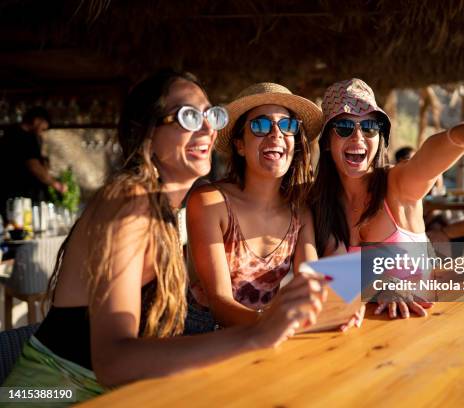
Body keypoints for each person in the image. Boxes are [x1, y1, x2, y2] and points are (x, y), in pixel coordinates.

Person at [2, 70, 327, 402]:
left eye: (209, 116)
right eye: (187, 116)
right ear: (148, 132)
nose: (205, 128)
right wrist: (257, 334)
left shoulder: (162, 208)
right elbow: (112, 362)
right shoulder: (129, 205)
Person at [311, 78, 464, 320]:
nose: (358, 137)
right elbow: (333, 273)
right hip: (355, 338)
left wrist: (462, 136)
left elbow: (425, 163)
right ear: (326, 142)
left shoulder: (396, 184)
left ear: (380, 139)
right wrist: (378, 285)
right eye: (345, 127)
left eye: (369, 127)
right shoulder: (321, 202)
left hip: (424, 327)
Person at [187, 83, 358, 331]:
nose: (276, 134)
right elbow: (219, 303)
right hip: (203, 335)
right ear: (240, 145)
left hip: (266, 333)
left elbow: (311, 281)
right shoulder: (210, 201)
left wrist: (342, 308)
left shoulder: (299, 211)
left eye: (287, 126)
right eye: (261, 125)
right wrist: (275, 324)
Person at [0, 107, 67, 222]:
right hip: (19, 197)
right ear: (36, 120)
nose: (42, 131)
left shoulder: (10, 133)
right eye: (42, 127)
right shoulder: (26, 137)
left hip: (7, 195)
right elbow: (34, 166)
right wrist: (55, 184)